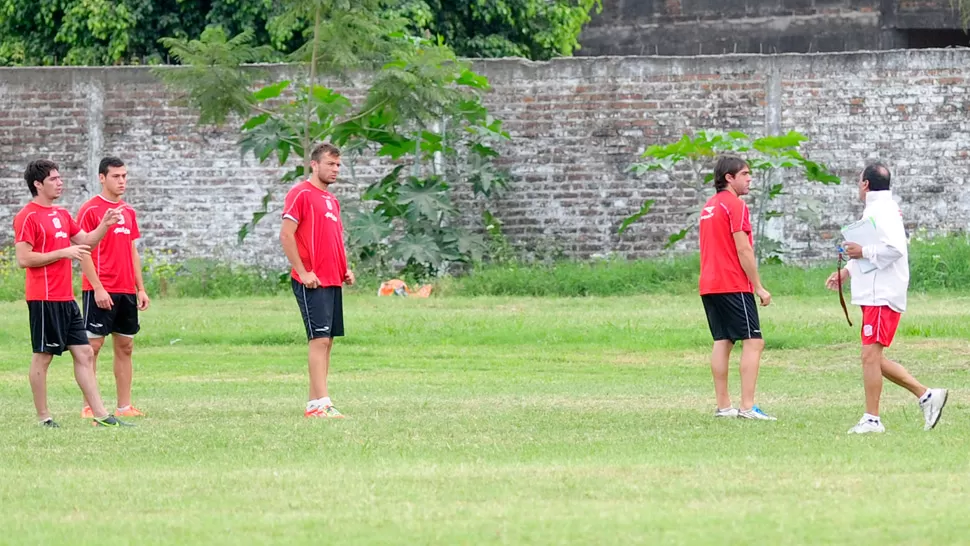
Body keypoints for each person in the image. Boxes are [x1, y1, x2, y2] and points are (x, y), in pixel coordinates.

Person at [826, 161, 947, 434]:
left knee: (870, 356)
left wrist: (862, 252)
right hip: (873, 292)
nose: (859, 186)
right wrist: (847, 270)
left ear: (866, 184)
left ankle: (872, 419)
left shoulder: (884, 210)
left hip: (883, 293)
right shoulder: (876, 209)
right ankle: (927, 395)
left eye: (859, 181)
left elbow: (894, 249)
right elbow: (871, 247)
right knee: (872, 358)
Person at [13, 159, 132, 428]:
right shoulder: (27, 216)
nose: (60, 182)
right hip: (43, 297)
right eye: (53, 179)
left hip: (66, 298)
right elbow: (23, 258)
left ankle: (102, 415)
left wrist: (105, 224)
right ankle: (44, 417)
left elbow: (86, 242)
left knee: (85, 354)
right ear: (37, 184)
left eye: (59, 178)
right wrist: (62, 253)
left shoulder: (62, 215)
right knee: (43, 356)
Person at [279, 143, 355, 418]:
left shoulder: (331, 200)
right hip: (312, 281)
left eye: (338, 165)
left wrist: (345, 269)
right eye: (330, 164)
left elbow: (334, 239)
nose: (335, 169)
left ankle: (315, 403)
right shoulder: (300, 194)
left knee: (327, 341)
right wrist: (304, 271)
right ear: (314, 164)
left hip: (332, 279)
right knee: (319, 339)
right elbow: (287, 236)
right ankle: (321, 403)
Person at [699, 155, 775, 420]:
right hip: (732, 283)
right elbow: (743, 248)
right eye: (744, 174)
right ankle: (747, 407)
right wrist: (759, 287)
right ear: (728, 178)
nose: (749, 178)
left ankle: (724, 406)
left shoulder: (709, 207)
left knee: (723, 340)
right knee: (754, 341)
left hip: (709, 284)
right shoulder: (736, 206)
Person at [76, 157, 150, 419]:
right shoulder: (90, 210)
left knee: (126, 347)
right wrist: (97, 288)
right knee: (92, 348)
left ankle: (124, 406)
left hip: (126, 291)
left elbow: (131, 250)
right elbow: (83, 250)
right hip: (101, 289)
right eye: (116, 176)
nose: (122, 181)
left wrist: (139, 288)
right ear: (102, 178)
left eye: (124, 176)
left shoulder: (128, 212)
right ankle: (89, 406)